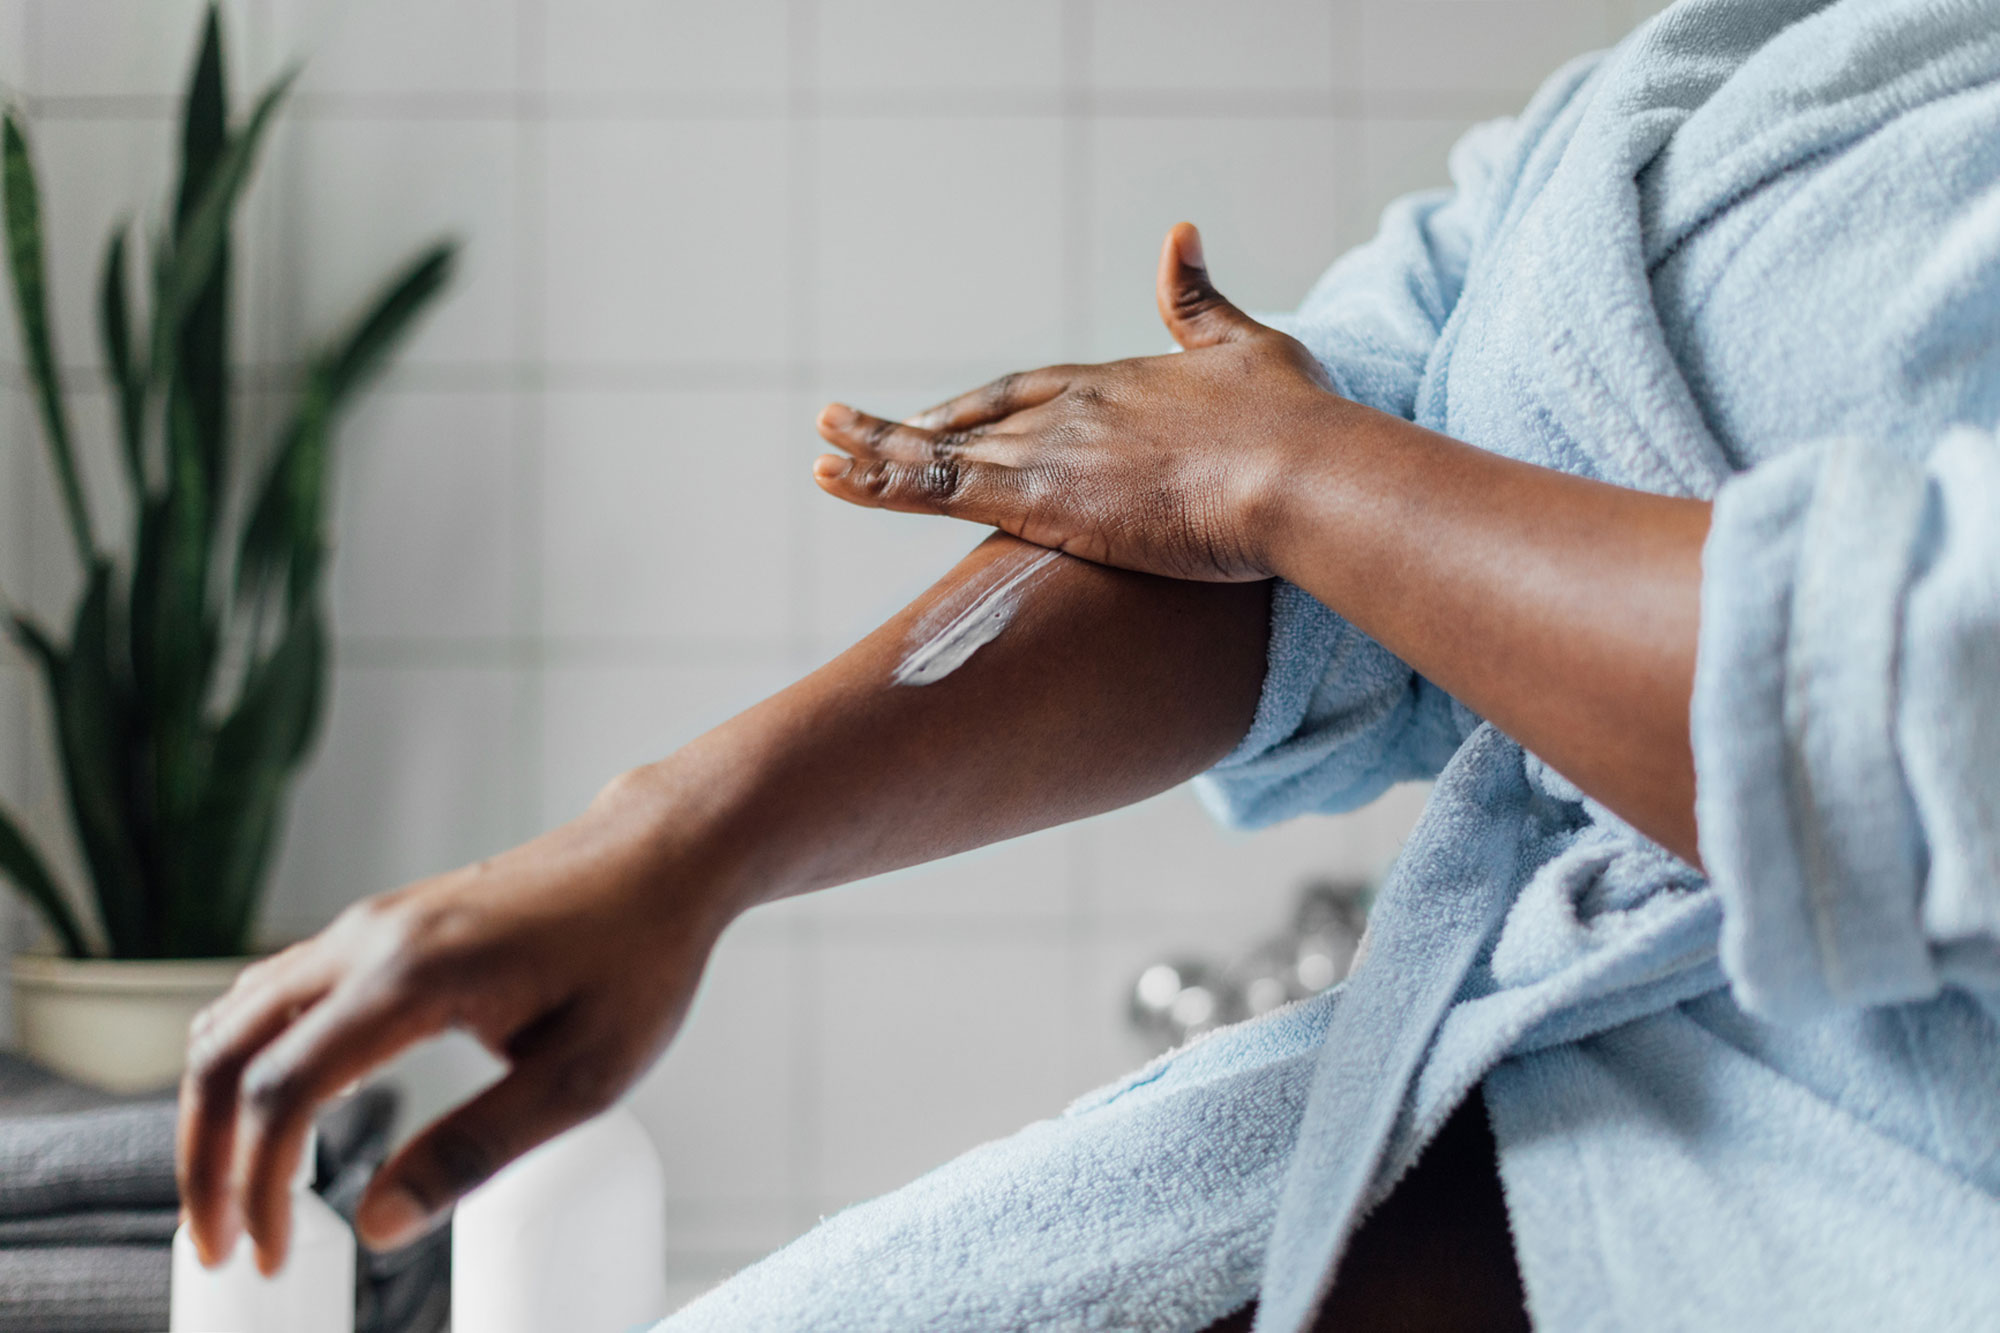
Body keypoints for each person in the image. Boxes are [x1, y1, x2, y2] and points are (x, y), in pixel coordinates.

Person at [177, 2, 2000, 1329]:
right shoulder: (1733, 69)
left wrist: (1301, 476)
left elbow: (1923, 696)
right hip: (1404, 1144)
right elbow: (1291, 504)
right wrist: (675, 842)